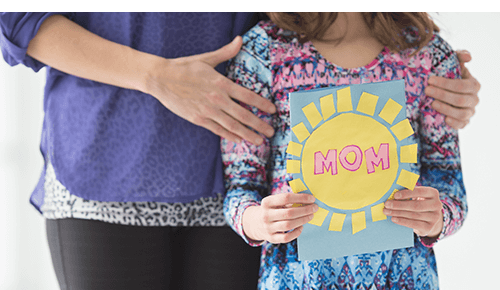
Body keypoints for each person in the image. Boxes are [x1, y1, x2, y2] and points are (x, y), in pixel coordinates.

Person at [0, 12, 477, 290]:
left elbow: (443, 177)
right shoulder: (266, 53)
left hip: (241, 185)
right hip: (109, 165)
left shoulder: (418, 56)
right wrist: (155, 76)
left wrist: (427, 64)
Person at [222, 12, 468, 289]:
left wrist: (438, 218)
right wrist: (258, 222)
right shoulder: (263, 51)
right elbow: (240, 187)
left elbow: (450, 183)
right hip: (297, 278)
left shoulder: (429, 54)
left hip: (404, 275)